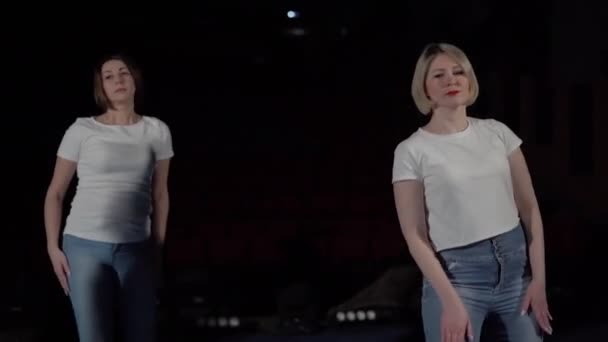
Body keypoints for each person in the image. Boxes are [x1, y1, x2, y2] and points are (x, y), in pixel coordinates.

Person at [392, 42, 552, 341]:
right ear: (425, 89)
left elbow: (530, 210)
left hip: (515, 275)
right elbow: (414, 234)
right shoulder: (412, 150)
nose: (451, 80)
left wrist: (539, 281)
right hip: (458, 280)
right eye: (438, 75)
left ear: (470, 80)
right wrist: (450, 302)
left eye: (458, 72)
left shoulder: (498, 132)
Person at [43, 53, 174, 342]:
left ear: (134, 79)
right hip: (83, 246)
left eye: (123, 73)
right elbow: (55, 192)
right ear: (101, 87)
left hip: (137, 248)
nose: (118, 80)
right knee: (94, 337)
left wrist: (159, 247)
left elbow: (160, 194)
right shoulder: (82, 129)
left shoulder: (157, 131)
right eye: (109, 76)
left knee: (142, 334)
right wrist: (53, 248)